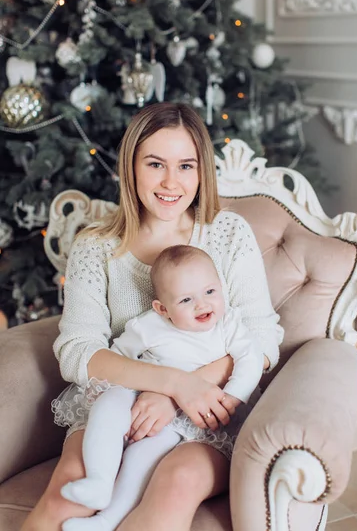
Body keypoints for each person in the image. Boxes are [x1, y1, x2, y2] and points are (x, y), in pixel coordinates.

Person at [21, 102, 283, 531]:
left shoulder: (227, 234)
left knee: (173, 489)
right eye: (155, 164)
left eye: (185, 166)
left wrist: (186, 392)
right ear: (131, 168)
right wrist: (170, 383)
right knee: (70, 489)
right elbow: (77, 351)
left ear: (202, 172)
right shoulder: (97, 246)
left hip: (209, 414)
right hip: (117, 404)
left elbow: (262, 337)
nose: (170, 182)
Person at [58, 245, 265, 531]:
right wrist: (129, 392)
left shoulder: (228, 324)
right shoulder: (149, 326)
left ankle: (108, 519)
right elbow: (119, 360)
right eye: (186, 299)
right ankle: (99, 480)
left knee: (142, 454)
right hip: (144, 393)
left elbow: (251, 359)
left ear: (221, 288)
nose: (202, 305)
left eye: (209, 292)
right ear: (162, 308)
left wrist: (232, 397)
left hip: (189, 415)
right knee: (108, 404)